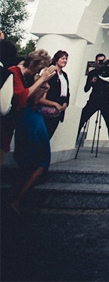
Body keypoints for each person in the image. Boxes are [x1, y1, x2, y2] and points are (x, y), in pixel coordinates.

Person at [1, 50, 55, 168]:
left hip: (12, 123)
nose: (36, 73)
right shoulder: (13, 72)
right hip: (4, 123)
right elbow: (21, 96)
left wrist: (43, 83)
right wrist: (40, 80)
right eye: (37, 69)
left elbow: (34, 100)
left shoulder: (27, 77)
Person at [9, 78, 52, 215]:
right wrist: (44, 84)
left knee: (28, 161)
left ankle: (15, 197)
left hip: (27, 121)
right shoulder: (33, 93)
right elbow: (37, 100)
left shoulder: (27, 92)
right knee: (42, 162)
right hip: (35, 124)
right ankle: (17, 200)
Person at [77, 53, 109, 156]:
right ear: (96, 62)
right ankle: (72, 142)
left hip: (105, 101)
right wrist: (91, 82)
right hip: (93, 100)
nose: (101, 63)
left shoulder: (107, 71)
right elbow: (86, 89)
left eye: (103, 61)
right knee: (81, 119)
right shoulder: (92, 73)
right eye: (99, 61)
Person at [37, 50, 70, 139]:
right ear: (56, 60)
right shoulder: (50, 72)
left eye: (66, 59)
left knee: (49, 135)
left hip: (59, 109)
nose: (65, 61)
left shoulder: (65, 75)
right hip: (48, 106)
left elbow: (67, 91)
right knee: (42, 135)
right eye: (62, 58)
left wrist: (66, 103)